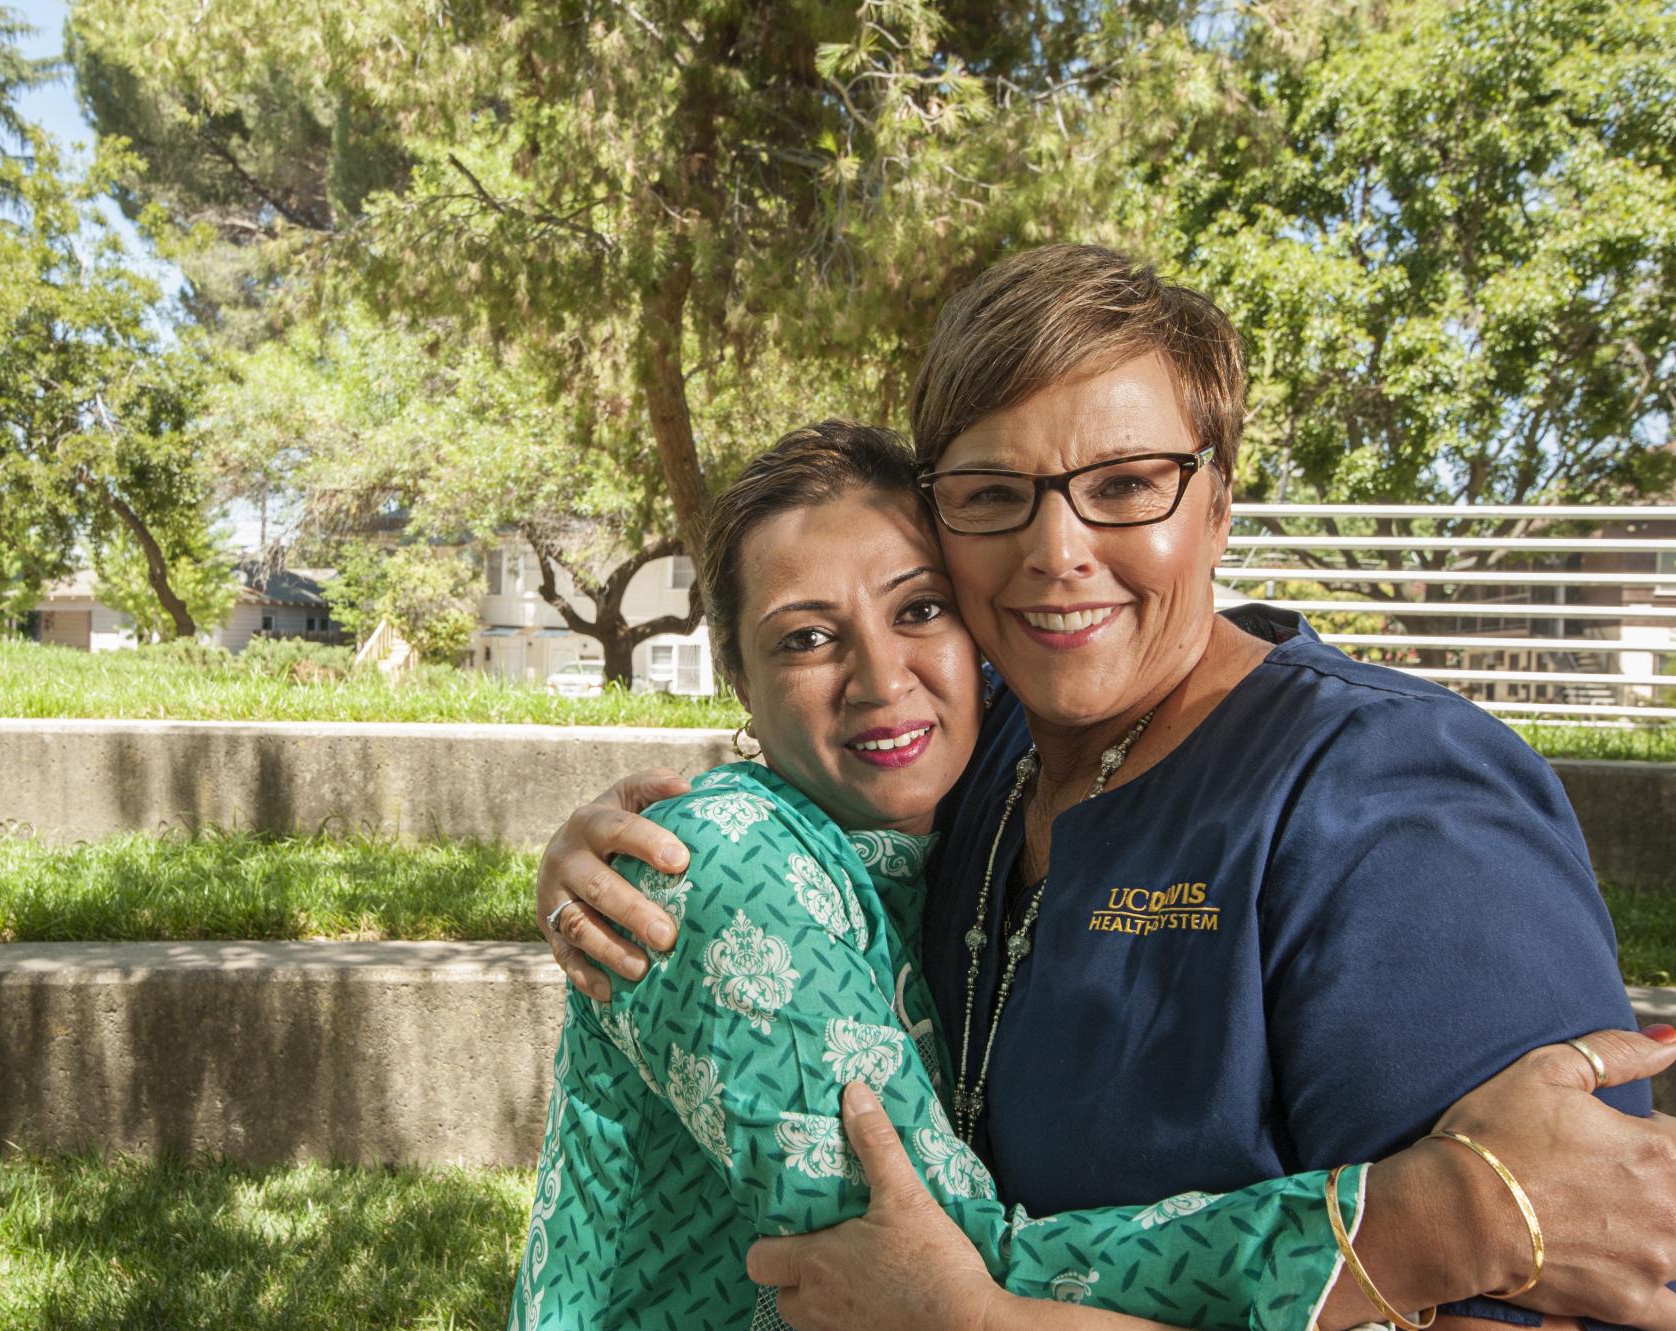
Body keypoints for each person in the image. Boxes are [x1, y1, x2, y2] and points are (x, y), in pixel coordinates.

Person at [532, 246, 1676, 1331]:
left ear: (1216, 500)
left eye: (1126, 483)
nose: (1056, 550)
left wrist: (988, 1318)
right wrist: (626, 848)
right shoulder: (981, 757)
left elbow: (1549, 1288)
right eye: (993, 493)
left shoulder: (1390, 801)